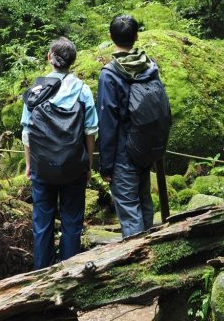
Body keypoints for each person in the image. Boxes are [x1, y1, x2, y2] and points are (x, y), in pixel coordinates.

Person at [21, 37, 98, 269]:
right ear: (72, 62)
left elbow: (27, 133)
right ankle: (71, 272)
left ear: (49, 58)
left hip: (42, 167)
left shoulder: (35, 91)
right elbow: (91, 130)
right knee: (72, 221)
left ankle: (42, 274)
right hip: (74, 166)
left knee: (42, 222)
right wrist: (88, 165)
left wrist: (28, 165)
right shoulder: (82, 90)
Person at [96, 14, 171, 239]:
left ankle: (138, 263)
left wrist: (105, 165)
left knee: (129, 210)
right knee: (145, 201)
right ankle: (151, 251)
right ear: (136, 36)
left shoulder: (110, 75)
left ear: (111, 37)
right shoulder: (149, 65)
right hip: (145, 147)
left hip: (123, 154)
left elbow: (108, 122)